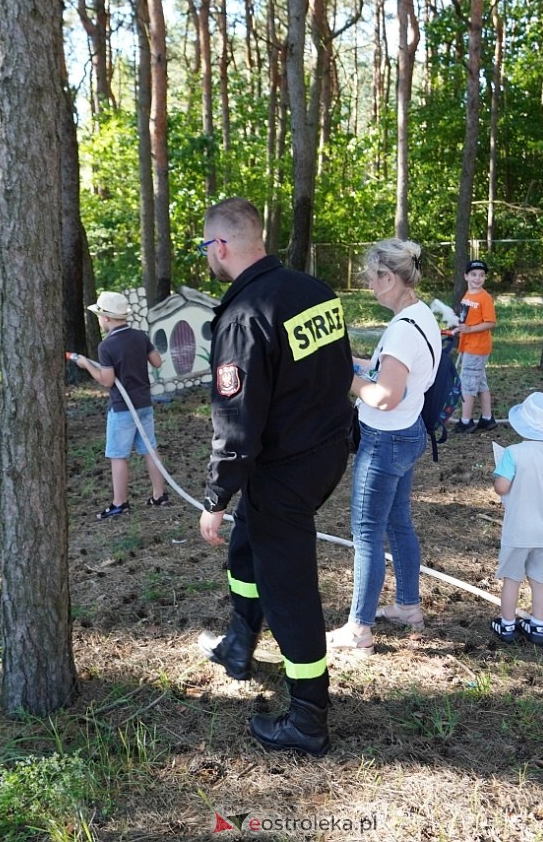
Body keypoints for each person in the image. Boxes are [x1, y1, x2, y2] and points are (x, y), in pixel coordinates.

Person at [193, 197, 352, 753]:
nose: (206, 256)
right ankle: (240, 643)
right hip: (324, 452)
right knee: (247, 547)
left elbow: (236, 420)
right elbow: (340, 372)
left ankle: (308, 717)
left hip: (286, 469)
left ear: (221, 246)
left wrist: (216, 497)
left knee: (289, 588)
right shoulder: (314, 291)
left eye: (205, 247)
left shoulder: (244, 316)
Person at [326, 239, 440, 655]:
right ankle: (408, 606)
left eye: (372, 277)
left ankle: (359, 629)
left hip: (385, 438)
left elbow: (385, 396)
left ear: (390, 278)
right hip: (408, 432)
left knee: (366, 532)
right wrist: (349, 363)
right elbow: (388, 374)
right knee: (398, 522)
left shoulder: (402, 331)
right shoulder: (421, 316)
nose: (369, 285)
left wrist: (343, 380)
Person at [488, 393, 543, 646]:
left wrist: (499, 478)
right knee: (539, 579)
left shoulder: (513, 453)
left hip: (518, 531)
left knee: (512, 579)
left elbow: (502, 487)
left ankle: (507, 625)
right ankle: (538, 626)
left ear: (522, 424)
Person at [73, 291, 169, 519]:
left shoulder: (106, 346)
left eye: (99, 316)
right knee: (150, 449)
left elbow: (107, 381)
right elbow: (157, 361)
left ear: (106, 318)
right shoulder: (140, 336)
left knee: (118, 455)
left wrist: (86, 365)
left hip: (122, 408)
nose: (99, 320)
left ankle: (120, 503)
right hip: (144, 404)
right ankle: (159, 495)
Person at [450, 259, 498, 433]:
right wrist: (460, 327)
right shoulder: (468, 295)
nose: (477, 278)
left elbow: (490, 322)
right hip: (468, 345)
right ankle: (487, 418)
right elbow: (468, 319)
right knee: (480, 383)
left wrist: (470, 329)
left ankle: (466, 421)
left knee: (467, 385)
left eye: (481, 275)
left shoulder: (484, 298)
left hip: (477, 348)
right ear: (466, 276)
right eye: (474, 274)